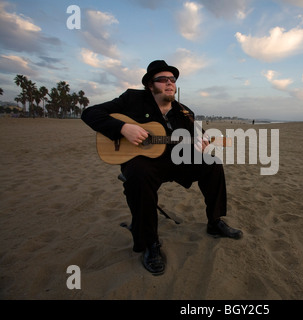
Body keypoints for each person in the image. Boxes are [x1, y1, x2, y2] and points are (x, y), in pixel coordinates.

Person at [81, 60, 243, 276]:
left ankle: (214, 221)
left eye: (173, 80)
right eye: (163, 79)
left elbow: (199, 136)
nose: (170, 83)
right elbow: (90, 113)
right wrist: (123, 128)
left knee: (212, 163)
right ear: (150, 85)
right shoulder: (132, 99)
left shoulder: (184, 112)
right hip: (144, 163)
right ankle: (150, 244)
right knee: (138, 174)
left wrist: (203, 144)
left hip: (176, 161)